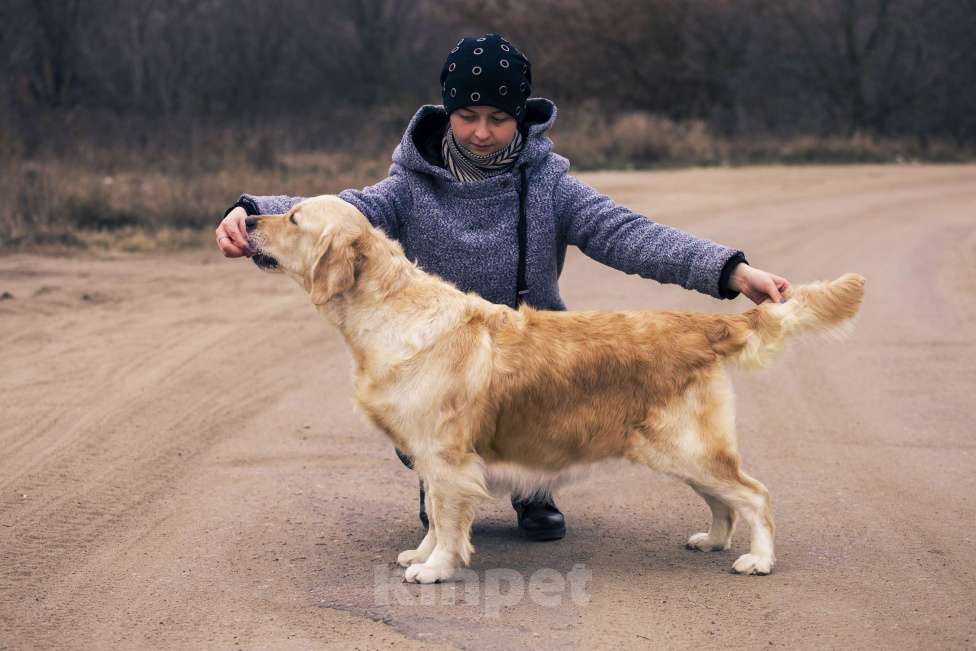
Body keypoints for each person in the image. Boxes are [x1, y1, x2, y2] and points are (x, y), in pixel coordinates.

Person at [216, 33, 790, 542]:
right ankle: (443, 476)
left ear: (521, 117)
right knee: (423, 412)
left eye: (498, 117)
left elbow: (629, 234)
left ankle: (533, 493)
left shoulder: (550, 187)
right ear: (448, 112)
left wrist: (731, 271)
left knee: (540, 411)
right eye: (468, 116)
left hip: (534, 365)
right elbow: (338, 216)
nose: (482, 132)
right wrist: (252, 214)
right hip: (441, 368)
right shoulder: (408, 186)